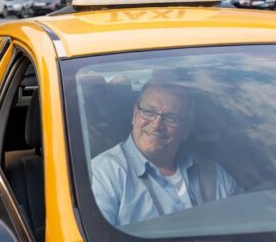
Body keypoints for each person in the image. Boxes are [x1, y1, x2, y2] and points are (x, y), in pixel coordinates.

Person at [91, 80, 238, 228]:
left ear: (186, 128)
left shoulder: (213, 174)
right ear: (135, 115)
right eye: (149, 112)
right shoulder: (103, 175)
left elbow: (245, 224)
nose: (156, 125)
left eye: (170, 117)